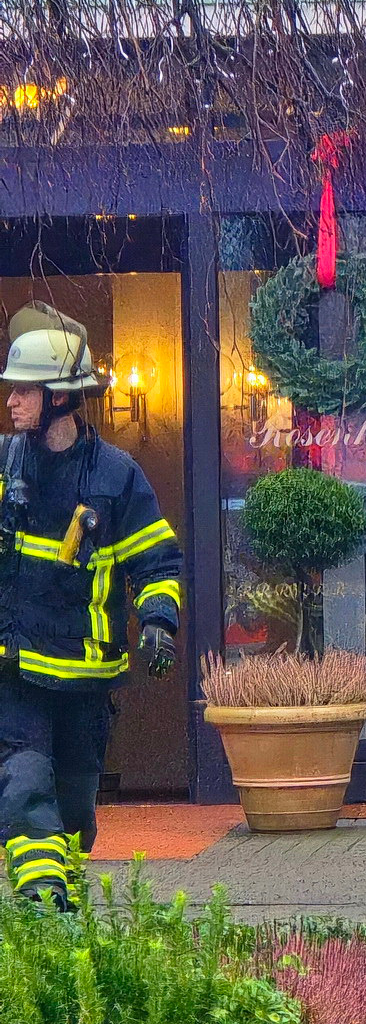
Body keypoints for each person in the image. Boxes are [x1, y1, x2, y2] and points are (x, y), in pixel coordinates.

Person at [0, 303, 181, 907]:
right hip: (17, 669)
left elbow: (156, 562)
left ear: (58, 398)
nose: (11, 402)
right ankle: (44, 905)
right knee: (24, 787)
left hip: (85, 677)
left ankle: (59, 909)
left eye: (23, 390)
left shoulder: (116, 476)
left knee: (74, 813)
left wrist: (158, 620)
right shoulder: (5, 468)